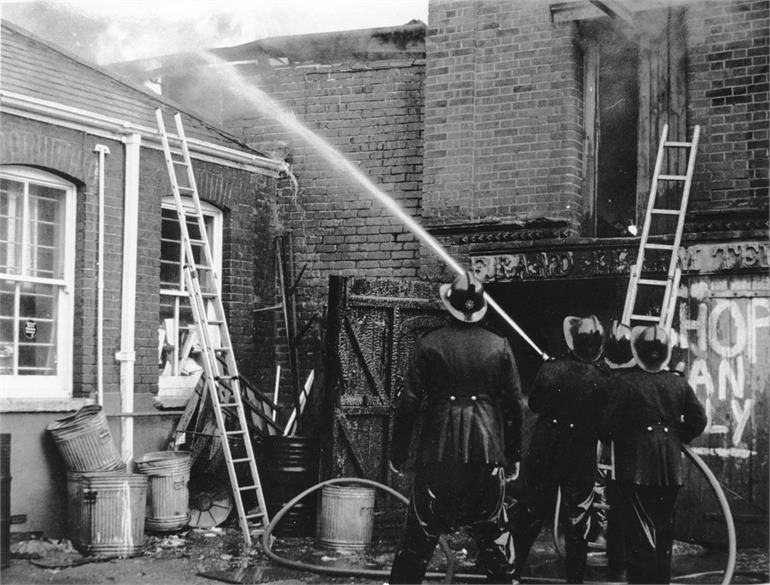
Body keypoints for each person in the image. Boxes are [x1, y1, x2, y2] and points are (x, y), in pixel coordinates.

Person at [388, 271, 523, 584]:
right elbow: (513, 406)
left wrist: (399, 453)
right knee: (494, 536)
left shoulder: (429, 344)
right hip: (487, 454)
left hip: (438, 453)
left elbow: (408, 403)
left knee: (419, 535)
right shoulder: (499, 345)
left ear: (449, 304)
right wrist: (513, 456)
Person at [600, 325, 706, 584]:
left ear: (637, 353)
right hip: (670, 468)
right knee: (663, 535)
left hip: (635, 467)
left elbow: (606, 426)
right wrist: (673, 436)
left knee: (639, 539)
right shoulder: (678, 382)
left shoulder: (624, 382)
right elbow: (698, 419)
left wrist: (625, 435)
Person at [511, 315, 610, 584]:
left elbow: (535, 405)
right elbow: (605, 425)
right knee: (578, 523)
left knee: (529, 515)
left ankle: (511, 575)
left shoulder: (552, 368)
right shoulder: (605, 378)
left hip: (546, 450)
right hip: (581, 455)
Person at [600, 321, 635, 581]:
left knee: (616, 509)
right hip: (638, 458)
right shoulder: (641, 377)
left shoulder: (607, 380)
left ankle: (617, 563)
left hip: (616, 456)